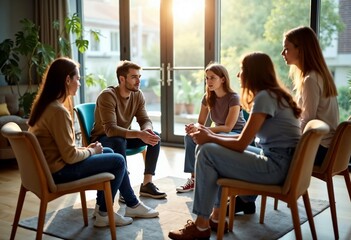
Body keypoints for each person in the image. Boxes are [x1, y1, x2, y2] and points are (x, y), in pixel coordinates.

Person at [168, 52, 302, 239]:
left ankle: (201, 225)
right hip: (284, 162)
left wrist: (210, 137)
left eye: (242, 70)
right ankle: (215, 217)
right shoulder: (275, 94)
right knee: (213, 150)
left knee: (207, 152)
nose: (239, 75)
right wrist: (209, 135)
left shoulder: (264, 98)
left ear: (252, 73)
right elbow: (242, 138)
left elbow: (240, 144)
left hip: (277, 167)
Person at [27, 57, 159, 229]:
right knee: (118, 160)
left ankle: (102, 209)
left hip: (53, 168)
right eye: (78, 79)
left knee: (111, 154)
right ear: (68, 80)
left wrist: (87, 149)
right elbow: (70, 156)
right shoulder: (58, 112)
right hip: (59, 172)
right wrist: (91, 152)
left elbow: (63, 149)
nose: (80, 83)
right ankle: (124, 206)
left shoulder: (46, 106)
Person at [91, 60, 166, 199]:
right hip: (102, 140)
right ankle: (124, 189)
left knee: (155, 136)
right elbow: (110, 130)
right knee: (119, 141)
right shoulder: (107, 95)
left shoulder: (137, 94)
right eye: (134, 77)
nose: (138, 81)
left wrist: (147, 131)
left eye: (139, 77)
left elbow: (144, 120)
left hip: (123, 137)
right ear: (122, 79)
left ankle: (147, 184)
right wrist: (139, 134)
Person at [176, 63, 246, 194]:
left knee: (205, 137)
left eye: (212, 78)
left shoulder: (233, 97)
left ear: (223, 79)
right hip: (219, 131)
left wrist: (205, 131)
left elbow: (228, 127)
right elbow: (200, 122)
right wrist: (194, 127)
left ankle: (213, 179)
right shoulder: (207, 97)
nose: (208, 81)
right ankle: (194, 178)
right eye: (207, 78)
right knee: (190, 137)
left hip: (235, 133)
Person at [281, 26, 339, 166]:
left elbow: (308, 119)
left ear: (300, 49)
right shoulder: (319, 75)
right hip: (327, 147)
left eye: (287, 48)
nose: (283, 53)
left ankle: (285, 186)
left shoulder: (310, 79)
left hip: (320, 149)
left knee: (271, 147)